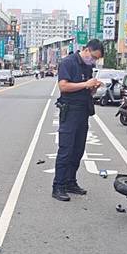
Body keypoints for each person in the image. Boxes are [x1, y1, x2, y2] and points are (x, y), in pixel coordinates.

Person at [52, 39, 104, 201]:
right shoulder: (68, 63)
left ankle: (70, 182)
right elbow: (63, 86)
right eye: (93, 57)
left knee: (78, 150)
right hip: (69, 112)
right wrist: (84, 84)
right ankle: (58, 186)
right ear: (87, 50)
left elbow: (87, 91)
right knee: (66, 150)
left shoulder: (87, 67)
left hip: (83, 111)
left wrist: (93, 88)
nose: (93, 61)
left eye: (96, 59)